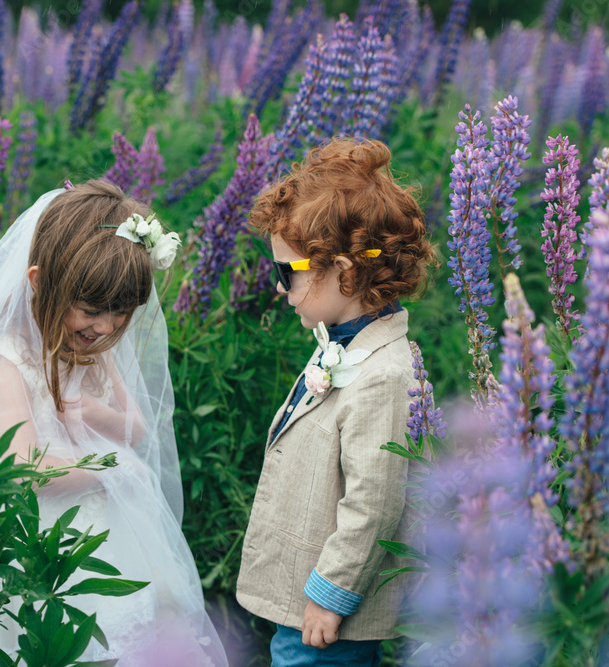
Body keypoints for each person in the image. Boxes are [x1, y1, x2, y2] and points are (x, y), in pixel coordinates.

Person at [0, 180, 226, 666]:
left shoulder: (92, 351)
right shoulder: (4, 361)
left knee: (132, 639)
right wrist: (111, 471)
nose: (105, 328)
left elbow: (137, 429)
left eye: (121, 314)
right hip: (35, 544)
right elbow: (23, 467)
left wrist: (93, 412)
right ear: (38, 282)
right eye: (93, 310)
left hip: (105, 539)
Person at [236, 139, 437, 666]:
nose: (280, 289)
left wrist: (331, 594)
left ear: (344, 273)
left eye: (288, 272)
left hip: (331, 613)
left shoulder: (382, 376)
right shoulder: (343, 344)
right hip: (305, 595)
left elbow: (376, 503)